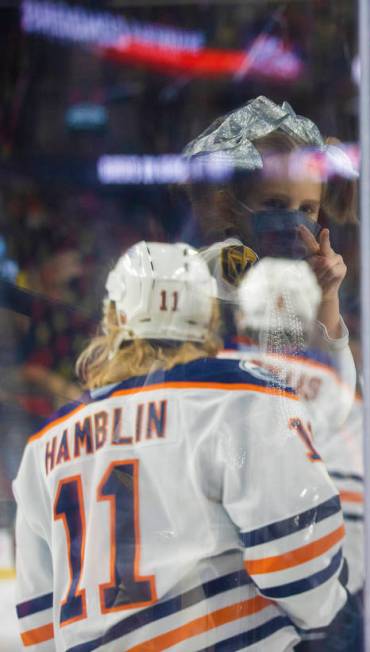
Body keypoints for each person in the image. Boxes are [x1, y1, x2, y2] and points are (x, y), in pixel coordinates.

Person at [13, 242, 347, 650]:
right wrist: (331, 621)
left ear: (115, 318)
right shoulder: (239, 398)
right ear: (207, 315)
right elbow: (300, 561)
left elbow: (39, 623)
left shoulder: (43, 448)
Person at [224, 257, 362, 651]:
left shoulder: (211, 378)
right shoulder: (335, 387)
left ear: (242, 318)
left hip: (235, 591)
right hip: (318, 572)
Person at [181, 95, 356, 358]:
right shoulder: (221, 262)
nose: (293, 220)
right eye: (275, 204)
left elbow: (333, 388)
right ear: (233, 205)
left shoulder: (302, 279)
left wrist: (328, 297)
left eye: (307, 209)